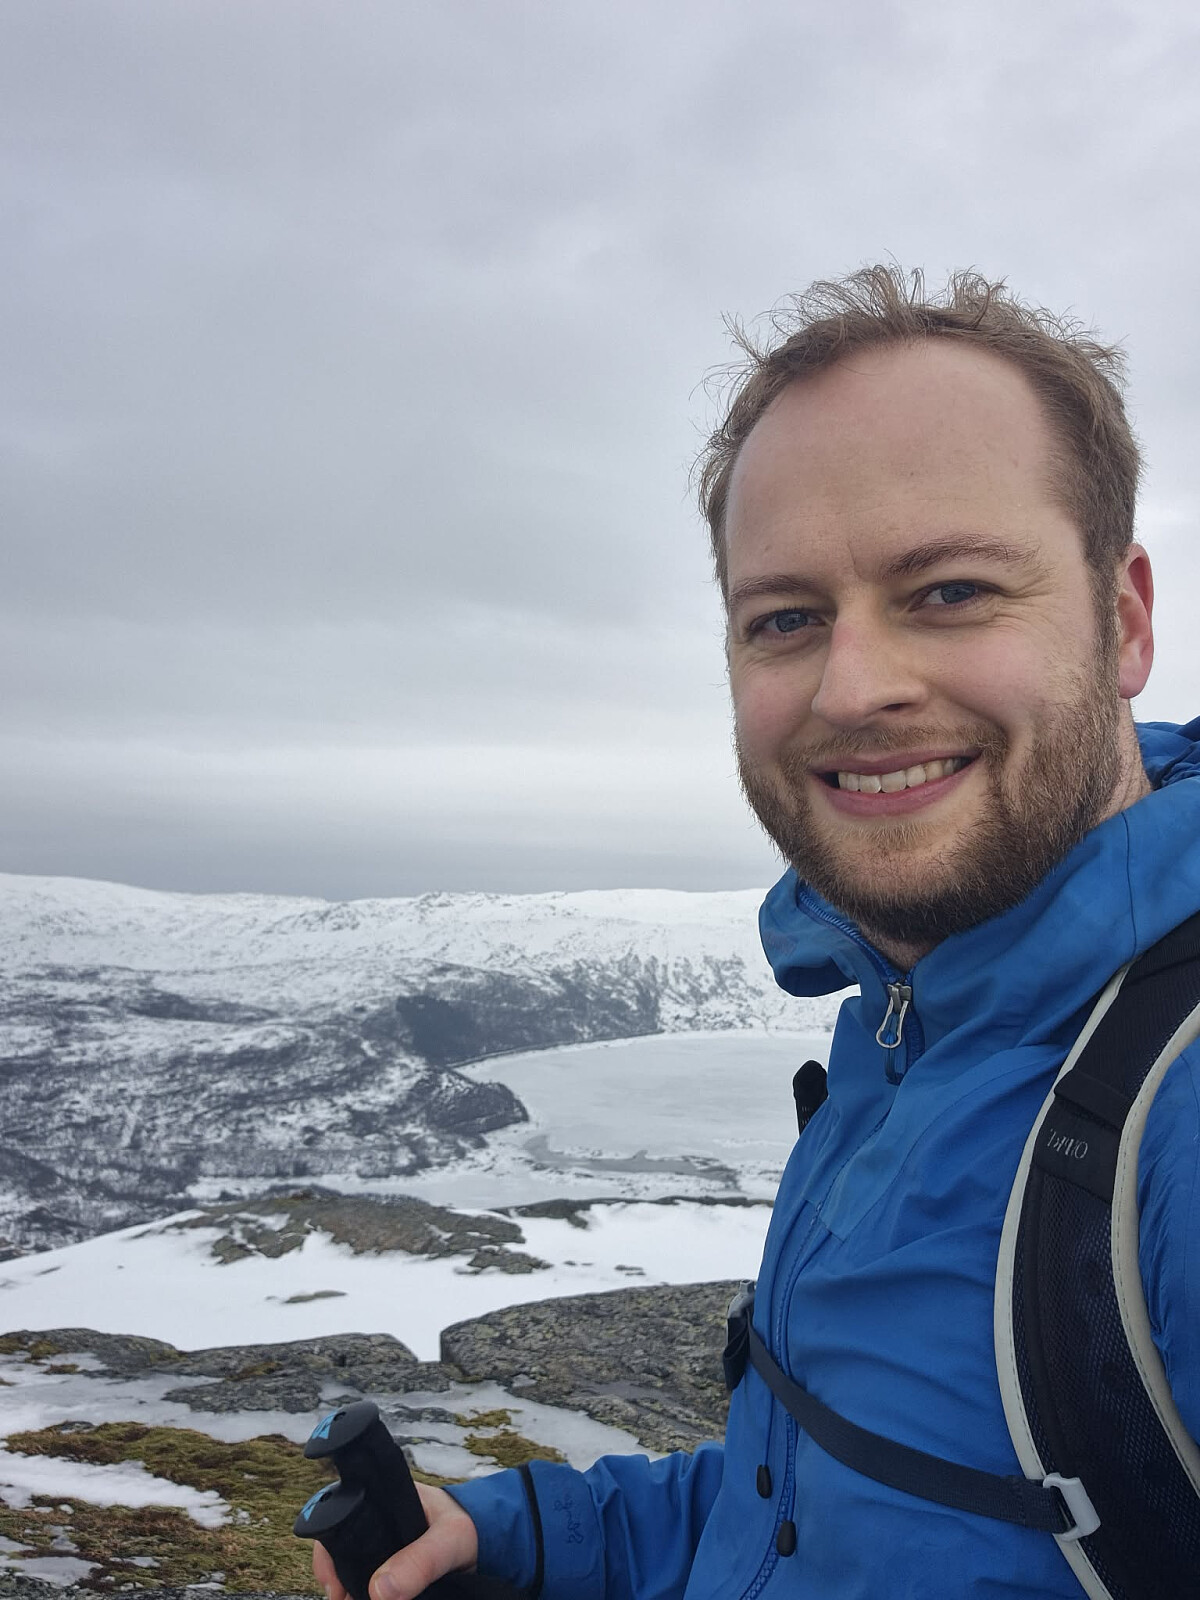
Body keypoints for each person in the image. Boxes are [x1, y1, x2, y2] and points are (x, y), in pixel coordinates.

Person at [315, 267, 1200, 1598]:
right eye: (785, 619)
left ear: (1121, 621)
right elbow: (808, 1510)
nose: (853, 687)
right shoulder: (905, 1028)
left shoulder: (1169, 1102)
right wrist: (520, 1538)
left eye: (950, 590)